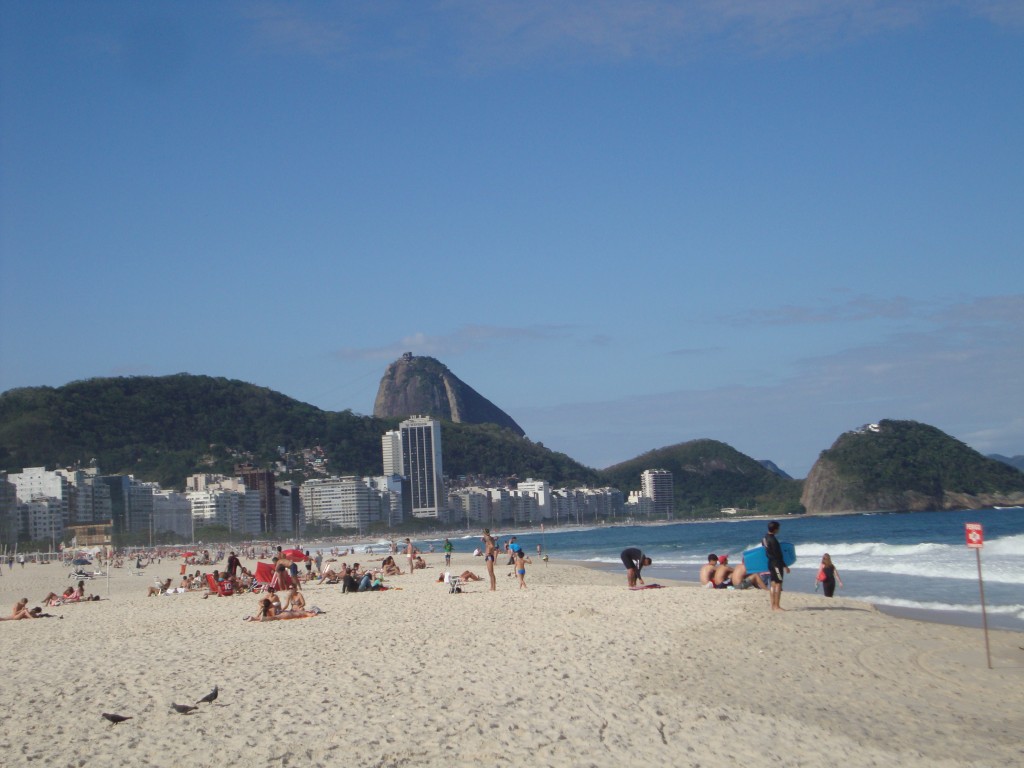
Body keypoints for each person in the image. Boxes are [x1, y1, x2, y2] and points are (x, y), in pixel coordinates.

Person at [763, 521, 789, 611]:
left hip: (770, 563)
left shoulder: (764, 538)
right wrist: (785, 566)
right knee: (778, 584)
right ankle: (777, 606)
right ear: (775, 529)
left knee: (773, 583)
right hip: (776, 564)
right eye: (778, 528)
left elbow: (765, 549)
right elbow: (778, 555)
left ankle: (773, 606)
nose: (779, 530)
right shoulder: (773, 540)